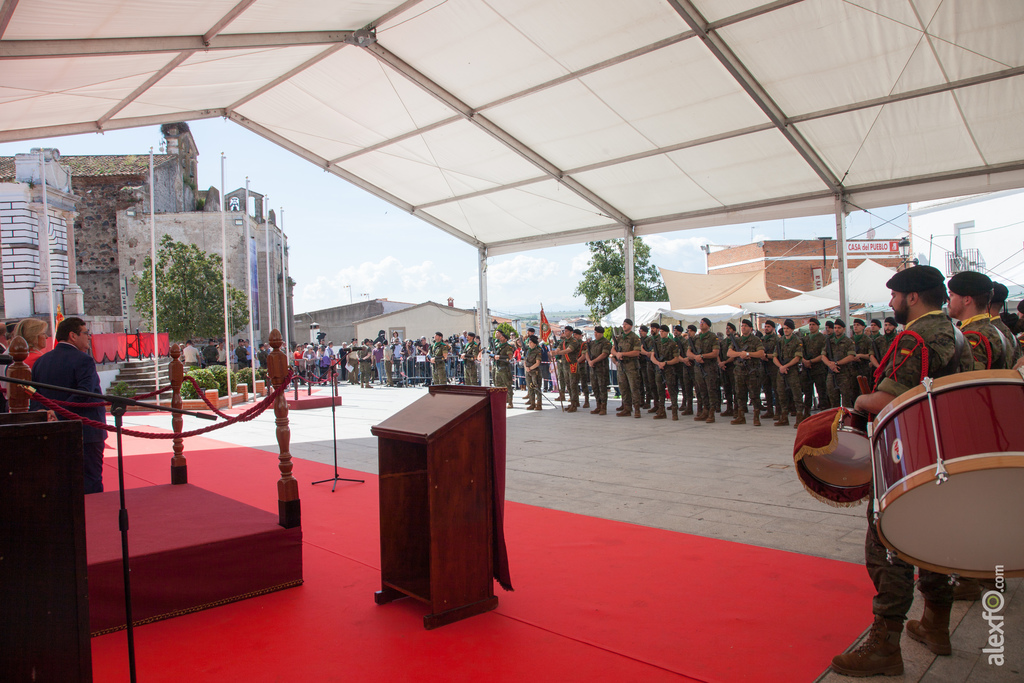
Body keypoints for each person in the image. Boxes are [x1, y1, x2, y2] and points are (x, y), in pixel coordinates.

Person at [832, 265, 972, 678]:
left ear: (912, 297)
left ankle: (885, 644)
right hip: (942, 452)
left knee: (888, 544)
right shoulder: (955, 332)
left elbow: (890, 400)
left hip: (907, 453)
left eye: (894, 296)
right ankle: (935, 624)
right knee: (934, 538)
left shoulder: (916, 337)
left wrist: (860, 400)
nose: (891, 303)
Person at [30, 317, 107, 494]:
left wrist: (45, 413)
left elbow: (35, 396)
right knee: (90, 481)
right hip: (85, 429)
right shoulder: (83, 360)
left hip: (53, 430)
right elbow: (85, 393)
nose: (89, 337)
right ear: (73, 335)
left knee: (62, 482)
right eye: (86, 333)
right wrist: (60, 412)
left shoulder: (42, 361)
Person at [947, 271, 1009, 370]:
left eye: (951, 295)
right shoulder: (1001, 332)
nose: (948, 300)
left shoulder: (973, 337)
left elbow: (970, 380)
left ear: (967, 300)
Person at [726, 319, 764, 426]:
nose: (743, 328)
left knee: (754, 395)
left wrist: (748, 354)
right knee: (740, 394)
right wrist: (740, 354)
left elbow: (761, 353)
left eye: (746, 326)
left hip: (752, 371)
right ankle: (741, 416)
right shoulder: (737, 340)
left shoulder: (756, 340)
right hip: (739, 371)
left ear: (751, 328)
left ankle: (756, 417)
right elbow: (729, 353)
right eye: (742, 326)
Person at [773, 319, 804, 427]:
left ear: (792, 329)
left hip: (792, 371)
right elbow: (774, 357)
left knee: (796, 394)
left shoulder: (797, 341)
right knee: (781, 394)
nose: (785, 330)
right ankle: (784, 417)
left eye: (788, 328)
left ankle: (799, 417)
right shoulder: (780, 341)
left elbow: (797, 358)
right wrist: (781, 367)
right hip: (781, 371)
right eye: (784, 328)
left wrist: (785, 366)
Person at [821, 319, 857, 409]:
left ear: (843, 329)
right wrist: (830, 364)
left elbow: (851, 356)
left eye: (839, 328)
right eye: (835, 328)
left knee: (846, 401)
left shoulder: (848, 342)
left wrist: (837, 363)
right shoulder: (830, 341)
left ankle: (846, 421)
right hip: (832, 373)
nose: (836, 330)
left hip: (844, 374)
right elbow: (823, 356)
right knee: (833, 399)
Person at [689, 318, 719, 423]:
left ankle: (711, 412)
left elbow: (715, 353)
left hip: (709, 367)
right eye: (700, 323)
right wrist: (695, 357)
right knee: (701, 391)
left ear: (708, 325)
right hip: (698, 368)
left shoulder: (713, 337)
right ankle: (704, 411)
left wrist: (702, 356)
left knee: (711, 390)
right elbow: (688, 352)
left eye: (703, 323)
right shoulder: (696, 338)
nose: (701, 324)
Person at [611, 318, 642, 418]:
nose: (624, 326)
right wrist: (617, 354)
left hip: (631, 366)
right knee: (623, 388)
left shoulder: (634, 338)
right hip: (621, 366)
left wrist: (623, 353)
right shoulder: (619, 338)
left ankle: (637, 409)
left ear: (631, 326)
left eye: (626, 324)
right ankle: (627, 408)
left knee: (634, 388)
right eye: (623, 324)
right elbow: (613, 349)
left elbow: (637, 352)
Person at [651, 324, 680, 420]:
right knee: (660, 390)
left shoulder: (672, 343)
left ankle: (674, 412)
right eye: (661, 331)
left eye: (663, 331)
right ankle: (661, 411)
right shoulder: (656, 342)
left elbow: (676, 359)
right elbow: (652, 356)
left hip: (669, 370)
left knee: (672, 390)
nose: (661, 333)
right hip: (659, 369)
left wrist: (666, 363)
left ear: (667, 332)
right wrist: (658, 363)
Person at [801, 318, 829, 413]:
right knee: (807, 392)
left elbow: (823, 354)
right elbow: (800, 352)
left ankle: (823, 411)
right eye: (810, 325)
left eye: (813, 324)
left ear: (817, 326)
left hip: (819, 369)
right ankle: (807, 411)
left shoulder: (823, 338)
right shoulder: (805, 339)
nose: (811, 326)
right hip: (807, 369)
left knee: (821, 391)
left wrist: (811, 361)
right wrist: (805, 361)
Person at [587, 325, 612, 415]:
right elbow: (586, 351)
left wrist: (593, 361)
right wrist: (589, 361)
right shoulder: (592, 343)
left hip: (602, 368)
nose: (595, 334)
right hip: (593, 369)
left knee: (602, 387)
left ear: (601, 333)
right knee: (595, 387)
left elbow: (604, 354)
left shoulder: (606, 342)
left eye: (597, 332)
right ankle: (598, 405)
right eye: (595, 332)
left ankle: (603, 407)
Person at [493, 329, 514, 408]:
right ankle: (501, 401)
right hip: (498, 368)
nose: (500, 338)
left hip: (505, 368)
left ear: (505, 339)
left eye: (502, 337)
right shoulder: (498, 346)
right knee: (498, 385)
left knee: (507, 385)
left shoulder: (508, 347)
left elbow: (510, 357)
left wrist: (500, 357)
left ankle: (510, 402)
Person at [523, 335, 543, 410]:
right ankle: (532, 403)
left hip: (535, 372)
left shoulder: (537, 351)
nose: (529, 343)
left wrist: (530, 368)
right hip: (528, 372)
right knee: (530, 388)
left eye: (531, 342)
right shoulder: (528, 351)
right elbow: (525, 360)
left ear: (535, 343)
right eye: (529, 342)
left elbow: (537, 363)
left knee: (536, 388)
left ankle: (539, 404)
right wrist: (526, 368)